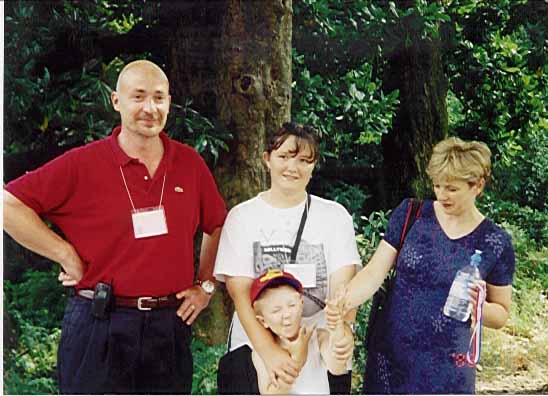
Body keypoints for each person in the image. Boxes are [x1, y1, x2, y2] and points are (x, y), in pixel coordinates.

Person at [3, 60, 227, 394]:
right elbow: (9, 204)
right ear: (116, 101)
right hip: (100, 323)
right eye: (138, 97)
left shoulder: (189, 163)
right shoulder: (83, 163)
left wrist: (205, 285)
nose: (149, 108)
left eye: (159, 98)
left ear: (169, 102)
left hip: (168, 326)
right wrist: (63, 252)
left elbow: (218, 225)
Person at [331, 136, 515, 394]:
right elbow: (373, 273)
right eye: (437, 185)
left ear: (478, 185)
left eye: (452, 188)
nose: (442, 194)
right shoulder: (411, 214)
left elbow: (502, 314)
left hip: (448, 369)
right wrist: (342, 301)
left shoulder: (495, 241)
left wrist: (480, 308)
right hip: (390, 360)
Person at [213, 122, 361, 393]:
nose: (293, 168)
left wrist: (342, 333)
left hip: (318, 345)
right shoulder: (242, 217)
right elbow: (240, 295)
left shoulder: (335, 216)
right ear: (267, 159)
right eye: (284, 157)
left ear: (314, 166)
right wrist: (270, 351)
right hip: (255, 348)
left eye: (304, 160)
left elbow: (343, 288)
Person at [238, 269, 352, 394]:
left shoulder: (317, 337)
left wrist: (337, 327)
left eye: (292, 305)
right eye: (276, 310)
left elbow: (338, 367)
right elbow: (271, 393)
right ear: (262, 321)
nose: (286, 314)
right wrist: (297, 360)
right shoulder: (262, 354)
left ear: (301, 304)